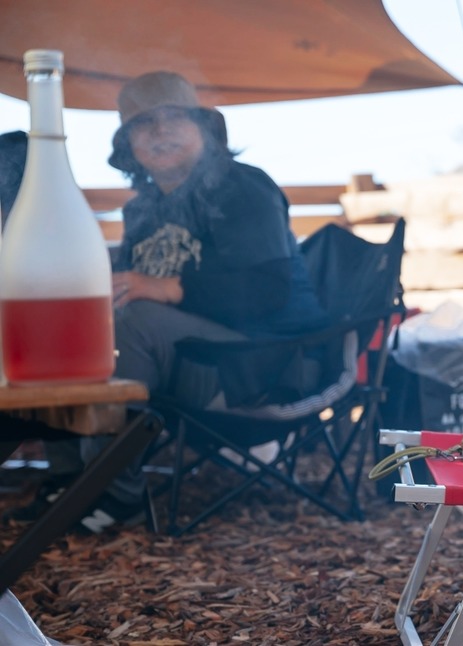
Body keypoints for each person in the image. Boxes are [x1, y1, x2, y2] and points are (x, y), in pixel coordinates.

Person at [5, 71, 329, 533]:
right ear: (129, 146)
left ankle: (114, 493)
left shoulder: (242, 187)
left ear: (204, 130)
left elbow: (267, 290)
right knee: (69, 326)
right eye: (144, 123)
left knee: (131, 321)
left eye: (175, 117)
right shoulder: (143, 208)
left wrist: (167, 287)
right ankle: (69, 478)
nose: (160, 130)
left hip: (262, 362)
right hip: (186, 355)